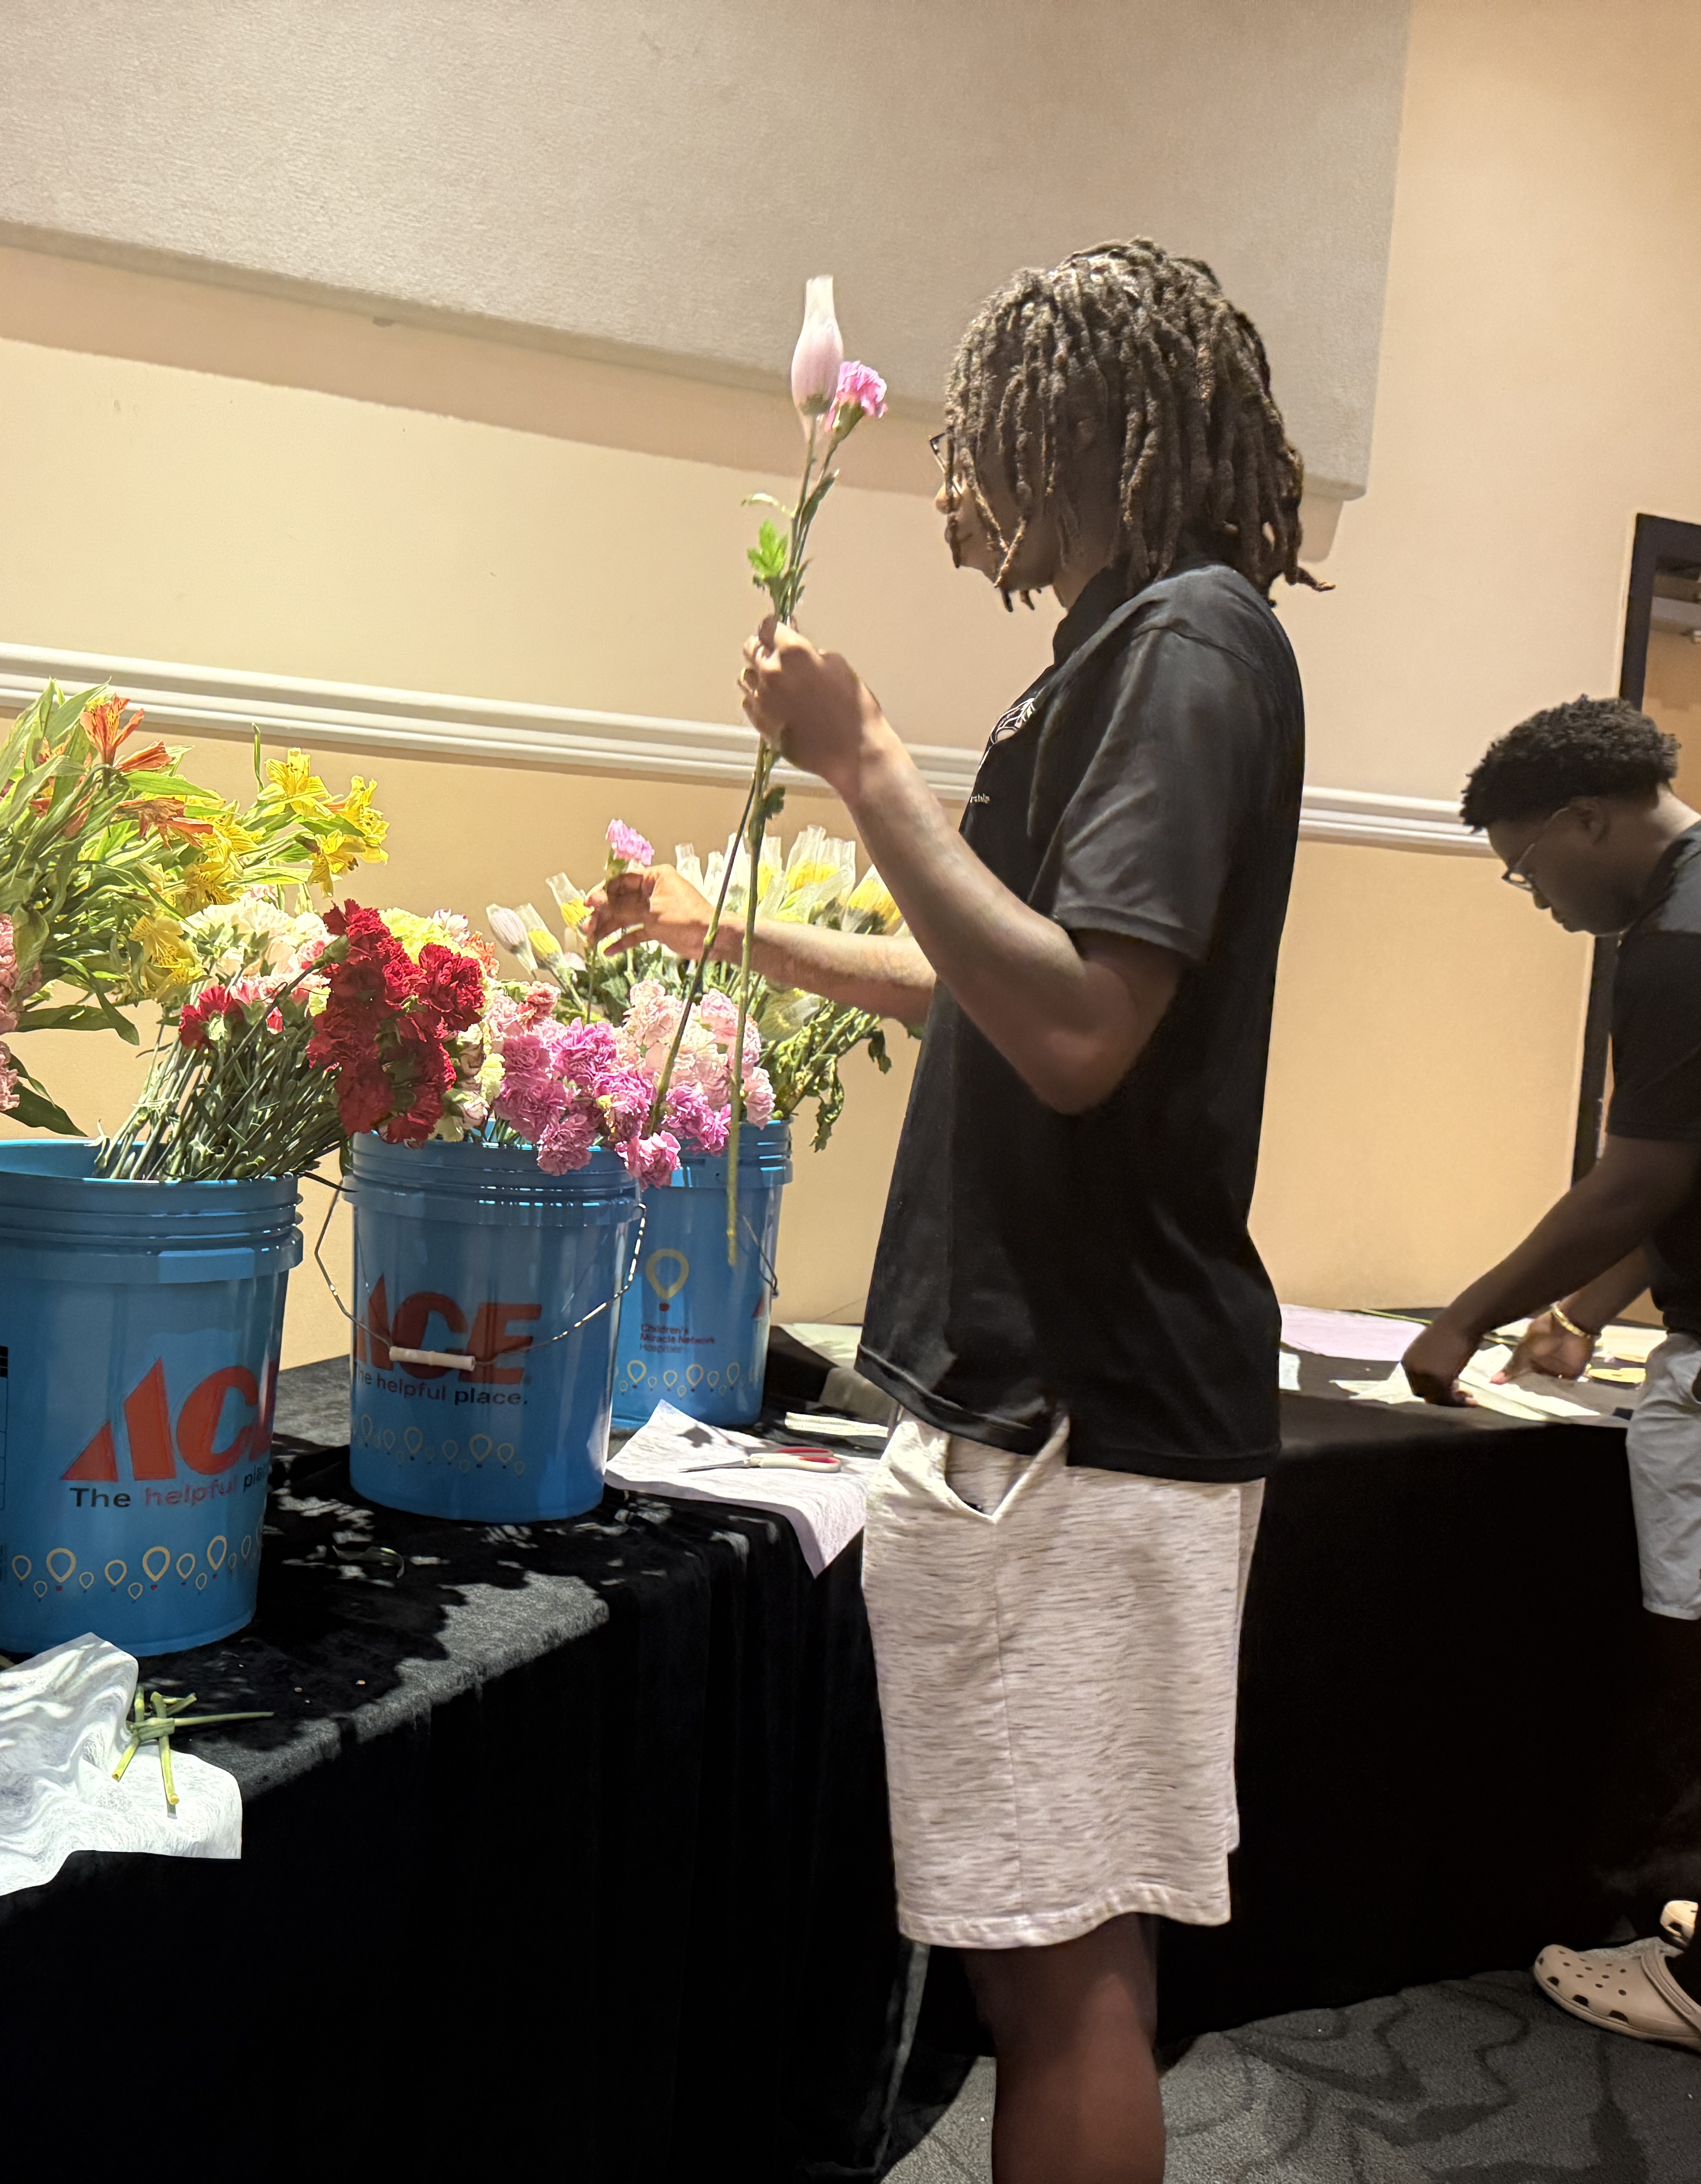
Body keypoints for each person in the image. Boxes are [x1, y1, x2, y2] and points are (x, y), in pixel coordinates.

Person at [594, 238, 1313, 2184]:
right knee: (1061, 1954)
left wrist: (864, 760)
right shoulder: (1135, 646)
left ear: (1085, 424)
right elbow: (983, 995)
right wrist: (719, 924)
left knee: (1053, 1973)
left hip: (1074, 1421)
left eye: (990, 439)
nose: (957, 486)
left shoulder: (1186, 643)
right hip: (1060, 1419)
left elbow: (1079, 1028)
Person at [1401, 697, 1701, 2072]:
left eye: (1525, 861)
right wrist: (1587, 1310)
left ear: (1587, 818)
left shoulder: (1690, 938)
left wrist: (1460, 1321)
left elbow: (1648, 1173)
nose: (1532, 893)